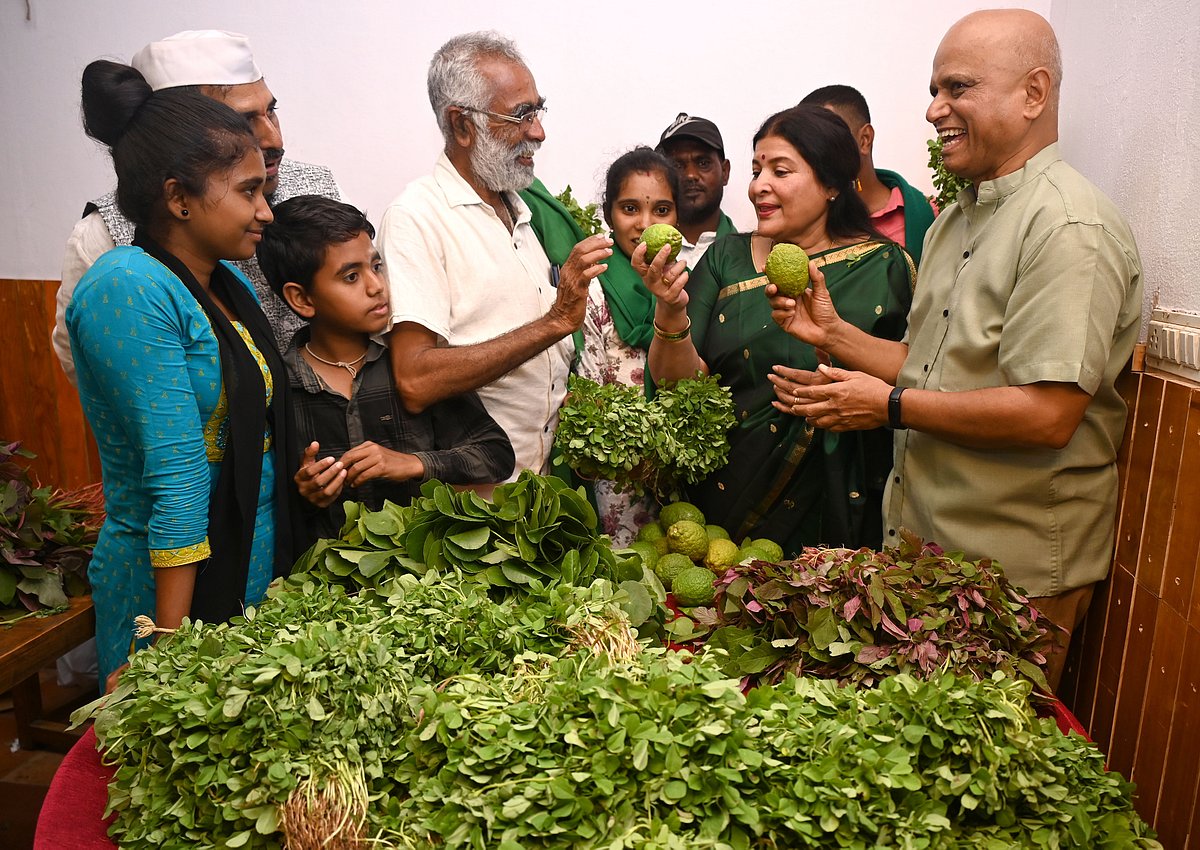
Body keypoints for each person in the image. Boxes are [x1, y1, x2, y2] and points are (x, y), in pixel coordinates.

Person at [777, 10, 1142, 690]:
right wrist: (834, 336)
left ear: (1033, 94)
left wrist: (887, 408)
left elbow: (1046, 415)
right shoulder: (956, 221)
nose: (932, 110)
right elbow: (934, 371)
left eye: (957, 88)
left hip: (1014, 574)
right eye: (933, 90)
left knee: (987, 776)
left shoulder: (1068, 225)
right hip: (931, 558)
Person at [67, 60, 295, 687]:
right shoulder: (128, 289)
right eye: (247, 191)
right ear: (177, 197)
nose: (266, 211)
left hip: (245, 559)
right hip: (169, 590)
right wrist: (166, 647)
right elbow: (177, 476)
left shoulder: (220, 285)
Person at [637, 104, 915, 553]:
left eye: (780, 171)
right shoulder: (727, 257)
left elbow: (917, 379)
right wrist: (670, 310)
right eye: (755, 169)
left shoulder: (883, 268)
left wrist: (839, 360)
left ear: (829, 183)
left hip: (841, 501)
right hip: (723, 503)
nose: (757, 186)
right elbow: (680, 387)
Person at [379, 32, 612, 489]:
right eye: (521, 115)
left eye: (538, 110)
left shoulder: (522, 208)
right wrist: (554, 322)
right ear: (462, 125)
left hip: (541, 495)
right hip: (474, 509)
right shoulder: (417, 217)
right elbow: (415, 379)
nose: (538, 132)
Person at [55, 29, 341, 379]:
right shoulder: (101, 237)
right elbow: (87, 364)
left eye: (271, 112)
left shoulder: (317, 188)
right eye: (245, 121)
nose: (273, 138)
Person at [256, 195, 515, 545]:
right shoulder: (280, 387)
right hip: (330, 589)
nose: (376, 286)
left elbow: (496, 455)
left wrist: (413, 464)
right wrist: (305, 494)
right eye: (351, 276)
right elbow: (261, 505)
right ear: (302, 299)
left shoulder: (412, 366)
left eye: (376, 266)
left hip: (431, 580)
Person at [576, 147, 681, 543]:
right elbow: (586, 390)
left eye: (661, 210)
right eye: (630, 208)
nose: (645, 224)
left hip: (679, 466)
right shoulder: (594, 284)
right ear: (608, 214)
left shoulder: (690, 282)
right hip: (617, 472)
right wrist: (632, 456)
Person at [800, 84, 937, 266]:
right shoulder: (805, 223)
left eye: (827, 137)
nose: (814, 151)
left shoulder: (930, 215)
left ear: (864, 139)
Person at [656, 113, 737, 268]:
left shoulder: (748, 254)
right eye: (677, 166)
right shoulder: (638, 252)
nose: (690, 175)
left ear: (725, 172)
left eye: (703, 163)